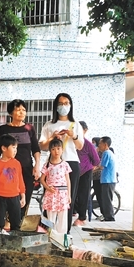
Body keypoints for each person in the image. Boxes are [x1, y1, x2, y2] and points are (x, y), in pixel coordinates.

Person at [39, 93, 84, 234]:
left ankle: (65, 234)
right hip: (51, 165)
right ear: (55, 106)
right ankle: (48, 232)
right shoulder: (49, 124)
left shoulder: (75, 124)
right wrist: (53, 138)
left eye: (66, 103)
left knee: (67, 201)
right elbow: (42, 146)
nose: (63, 106)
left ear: (70, 105)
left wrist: (73, 135)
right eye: (60, 103)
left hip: (70, 162)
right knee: (49, 199)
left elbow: (80, 146)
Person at [0, 99, 41, 220]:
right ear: (10, 113)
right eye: (18, 109)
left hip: (26, 169)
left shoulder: (29, 128)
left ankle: (20, 222)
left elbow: (36, 148)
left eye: (24, 110)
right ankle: (7, 222)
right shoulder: (4, 129)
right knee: (7, 196)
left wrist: (37, 166)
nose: (21, 112)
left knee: (25, 195)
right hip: (7, 171)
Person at [0, 134, 25, 232]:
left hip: (14, 197)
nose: (15, 150)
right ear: (4, 148)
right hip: (0, 198)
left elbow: (20, 180)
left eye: (16, 148)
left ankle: (15, 244)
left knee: (16, 223)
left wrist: (23, 195)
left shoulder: (17, 163)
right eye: (13, 147)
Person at [40, 138, 72, 234]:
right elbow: (42, 179)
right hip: (51, 194)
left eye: (58, 148)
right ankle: (51, 236)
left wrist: (69, 195)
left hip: (63, 194)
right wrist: (48, 187)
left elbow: (68, 181)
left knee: (63, 218)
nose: (56, 151)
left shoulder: (65, 165)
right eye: (53, 149)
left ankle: (62, 237)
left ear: (62, 150)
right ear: (50, 150)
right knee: (51, 218)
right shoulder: (47, 165)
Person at [73, 121, 100, 226]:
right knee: (73, 194)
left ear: (85, 131)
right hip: (73, 172)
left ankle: (82, 218)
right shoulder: (71, 142)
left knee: (83, 195)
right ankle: (73, 212)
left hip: (85, 172)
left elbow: (96, 161)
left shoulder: (88, 144)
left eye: (80, 130)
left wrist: (89, 169)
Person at [97, 136, 117, 222]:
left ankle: (109, 217)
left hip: (108, 180)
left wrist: (93, 169)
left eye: (100, 144)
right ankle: (108, 216)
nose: (99, 145)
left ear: (105, 144)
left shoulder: (106, 153)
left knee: (107, 200)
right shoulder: (109, 153)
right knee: (106, 199)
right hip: (108, 180)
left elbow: (102, 166)